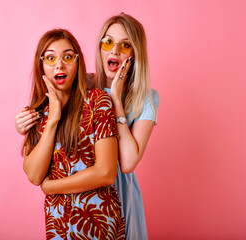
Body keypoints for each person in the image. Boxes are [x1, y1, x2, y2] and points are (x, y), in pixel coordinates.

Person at [16, 13, 159, 240]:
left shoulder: (146, 98)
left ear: (135, 53)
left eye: (124, 45)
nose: (114, 51)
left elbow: (127, 162)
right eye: (108, 42)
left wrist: (116, 102)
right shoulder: (82, 84)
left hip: (115, 191)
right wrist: (25, 121)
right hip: (68, 203)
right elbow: (52, 121)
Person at [22, 28, 125, 239]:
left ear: (77, 62)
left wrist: (51, 187)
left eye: (67, 56)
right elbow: (34, 175)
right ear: (40, 65)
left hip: (100, 223)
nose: (59, 64)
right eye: (50, 58)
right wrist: (53, 121)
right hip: (58, 227)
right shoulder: (37, 114)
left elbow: (106, 172)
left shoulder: (99, 101)